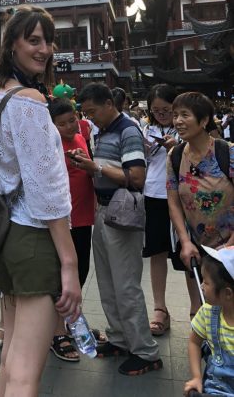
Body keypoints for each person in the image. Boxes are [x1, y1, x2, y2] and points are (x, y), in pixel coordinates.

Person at [0, 5, 81, 397]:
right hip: (35, 237)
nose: (45, 49)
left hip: (10, 236)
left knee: (11, 361)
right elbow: (47, 190)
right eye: (34, 40)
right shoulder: (29, 101)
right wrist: (70, 263)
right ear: (12, 44)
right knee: (25, 375)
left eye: (48, 40)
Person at [76, 82, 162, 376]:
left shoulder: (128, 130)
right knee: (107, 281)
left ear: (108, 104)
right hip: (104, 211)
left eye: (92, 111)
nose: (90, 118)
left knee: (125, 285)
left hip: (122, 213)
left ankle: (146, 351)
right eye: (86, 113)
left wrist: (96, 168)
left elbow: (136, 177)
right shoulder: (103, 131)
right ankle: (119, 339)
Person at [167, 91, 234, 319]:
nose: (178, 121)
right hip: (199, 248)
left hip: (231, 247)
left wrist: (230, 246)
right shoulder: (175, 156)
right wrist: (185, 241)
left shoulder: (227, 152)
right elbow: (174, 202)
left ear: (204, 120)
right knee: (208, 309)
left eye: (185, 115)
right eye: (175, 115)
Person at [48, 98, 97, 362]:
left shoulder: (80, 137)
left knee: (81, 271)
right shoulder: (50, 145)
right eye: (62, 123)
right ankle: (56, 332)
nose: (69, 126)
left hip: (84, 217)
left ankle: (71, 322)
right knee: (62, 277)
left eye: (72, 120)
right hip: (63, 221)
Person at [142, 84, 179, 336]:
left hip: (181, 196)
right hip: (153, 193)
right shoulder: (146, 129)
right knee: (156, 251)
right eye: (156, 110)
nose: (161, 114)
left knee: (186, 254)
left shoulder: (184, 127)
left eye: (166, 109)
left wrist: (176, 147)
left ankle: (196, 310)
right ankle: (159, 309)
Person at [184, 245, 234, 397]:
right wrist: (196, 377)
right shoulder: (208, 312)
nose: (201, 286)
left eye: (205, 282)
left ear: (227, 293)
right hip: (217, 388)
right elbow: (194, 342)